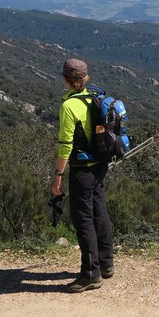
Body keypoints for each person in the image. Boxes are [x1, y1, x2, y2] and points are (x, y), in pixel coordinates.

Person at [51, 58, 114, 293]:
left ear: (65, 79)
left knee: (83, 219)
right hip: (100, 166)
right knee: (99, 211)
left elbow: (66, 144)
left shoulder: (69, 106)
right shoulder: (93, 99)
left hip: (82, 169)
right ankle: (106, 264)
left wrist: (58, 175)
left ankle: (90, 274)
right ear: (84, 79)